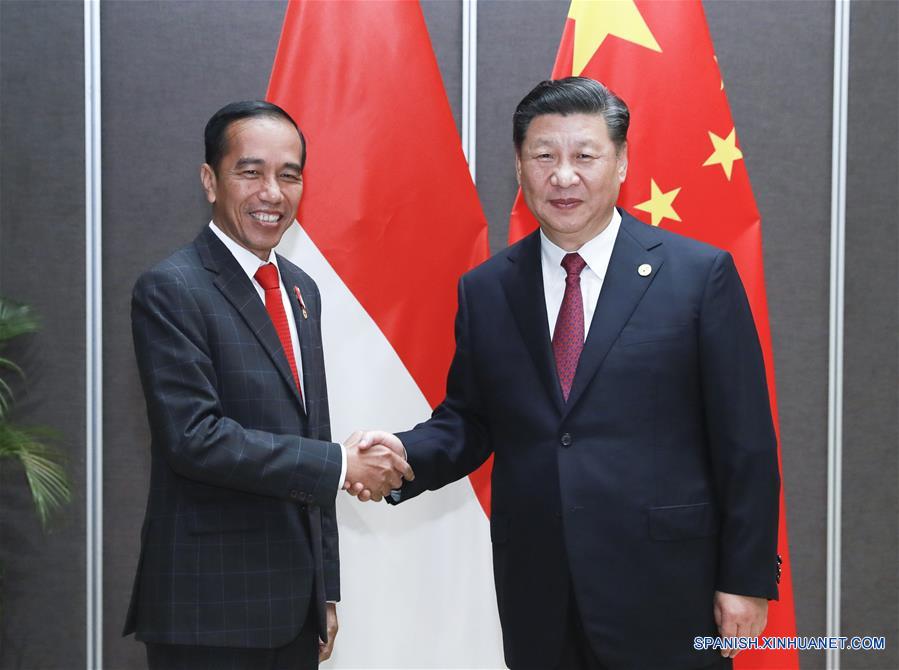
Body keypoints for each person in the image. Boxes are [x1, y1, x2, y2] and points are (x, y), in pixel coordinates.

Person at [350, 78, 781, 669]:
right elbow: (471, 419)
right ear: (519, 166)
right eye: (544, 156)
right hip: (540, 592)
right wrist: (404, 454)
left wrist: (745, 578)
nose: (563, 175)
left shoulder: (699, 277)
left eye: (585, 155)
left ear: (621, 162)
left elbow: (745, 441)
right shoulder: (488, 289)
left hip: (667, 590)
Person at [123, 100, 412, 669]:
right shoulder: (172, 288)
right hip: (208, 610)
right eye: (250, 172)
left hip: (293, 608)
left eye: (289, 175)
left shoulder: (301, 290)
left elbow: (312, 431)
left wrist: (324, 589)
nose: (272, 193)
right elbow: (195, 438)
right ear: (210, 181)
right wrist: (340, 463)